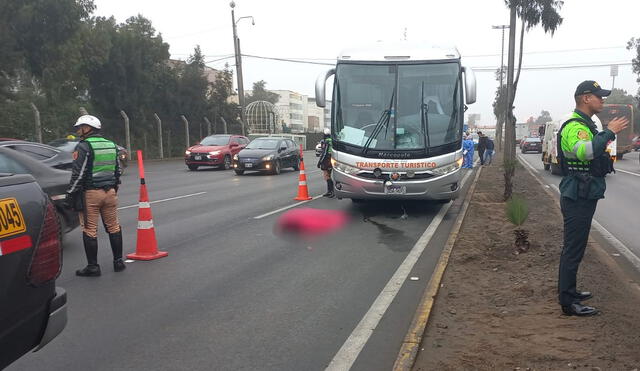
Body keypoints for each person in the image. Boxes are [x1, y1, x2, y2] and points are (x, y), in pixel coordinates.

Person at [557, 81, 628, 316]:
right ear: (586, 98)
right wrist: (610, 132)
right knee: (572, 249)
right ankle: (568, 302)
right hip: (577, 194)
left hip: (584, 192)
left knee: (576, 246)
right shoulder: (574, 126)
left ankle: (571, 291)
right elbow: (585, 152)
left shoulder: (586, 125)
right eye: (599, 97)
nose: (603, 101)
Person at [65, 115, 125, 277]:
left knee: (90, 229)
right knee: (113, 227)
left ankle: (93, 267)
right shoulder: (111, 145)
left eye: (80, 127)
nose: (78, 130)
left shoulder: (84, 146)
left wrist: (70, 195)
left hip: (91, 194)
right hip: (110, 192)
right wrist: (113, 188)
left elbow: (79, 174)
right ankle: (118, 262)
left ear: (88, 128)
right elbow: (117, 171)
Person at [317, 127, 334, 197]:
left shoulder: (326, 141)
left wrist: (320, 162)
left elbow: (324, 152)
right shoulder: (332, 140)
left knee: (326, 176)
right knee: (328, 175)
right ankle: (330, 191)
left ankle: (331, 191)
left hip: (326, 160)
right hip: (331, 159)